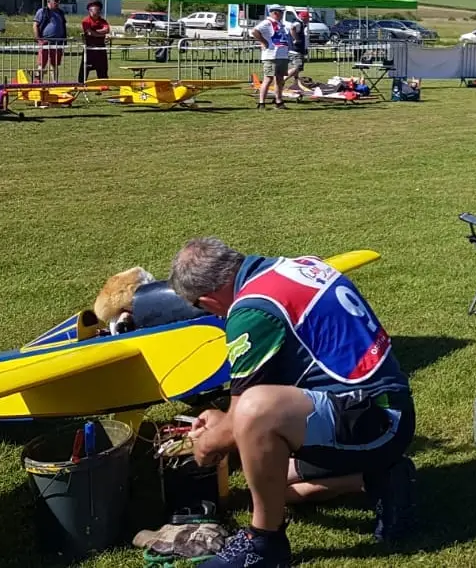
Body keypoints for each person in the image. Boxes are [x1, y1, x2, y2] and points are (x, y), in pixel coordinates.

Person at [169, 238, 415, 568]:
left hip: (375, 423)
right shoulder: (296, 265)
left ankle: (263, 543)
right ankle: (379, 479)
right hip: (384, 411)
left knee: (255, 412)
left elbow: (250, 410)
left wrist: (206, 444)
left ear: (207, 300)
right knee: (267, 484)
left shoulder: (252, 309)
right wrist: (221, 418)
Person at [251, 6, 292, 110]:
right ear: (275, 13)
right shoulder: (267, 22)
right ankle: (261, 102)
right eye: (281, 12)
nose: (282, 14)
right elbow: (254, 31)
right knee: (268, 79)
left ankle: (279, 101)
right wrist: (263, 41)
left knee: (279, 80)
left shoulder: (280, 24)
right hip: (271, 55)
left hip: (282, 55)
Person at [34, 0, 68, 83]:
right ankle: (38, 82)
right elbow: (35, 25)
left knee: (55, 64)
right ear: (49, 2)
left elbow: (63, 25)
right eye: (55, 1)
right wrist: (38, 39)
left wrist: (64, 39)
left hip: (58, 42)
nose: (57, 3)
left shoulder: (60, 12)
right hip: (45, 41)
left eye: (58, 1)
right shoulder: (42, 11)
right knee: (41, 64)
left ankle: (55, 82)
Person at [80, 1, 112, 81]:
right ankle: (81, 85)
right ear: (90, 11)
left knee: (103, 69)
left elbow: (107, 29)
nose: (97, 12)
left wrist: (95, 32)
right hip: (89, 49)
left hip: (101, 49)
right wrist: (102, 34)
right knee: (85, 69)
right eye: (95, 11)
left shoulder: (103, 21)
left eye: (99, 10)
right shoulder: (86, 21)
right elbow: (90, 33)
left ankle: (103, 85)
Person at [285, 10, 311, 95]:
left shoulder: (301, 24)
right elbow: (292, 28)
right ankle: (282, 80)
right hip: (296, 50)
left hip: (294, 50)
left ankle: (295, 85)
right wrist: (296, 39)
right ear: (303, 17)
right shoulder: (298, 23)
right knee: (296, 68)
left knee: (296, 70)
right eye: (307, 18)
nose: (308, 20)